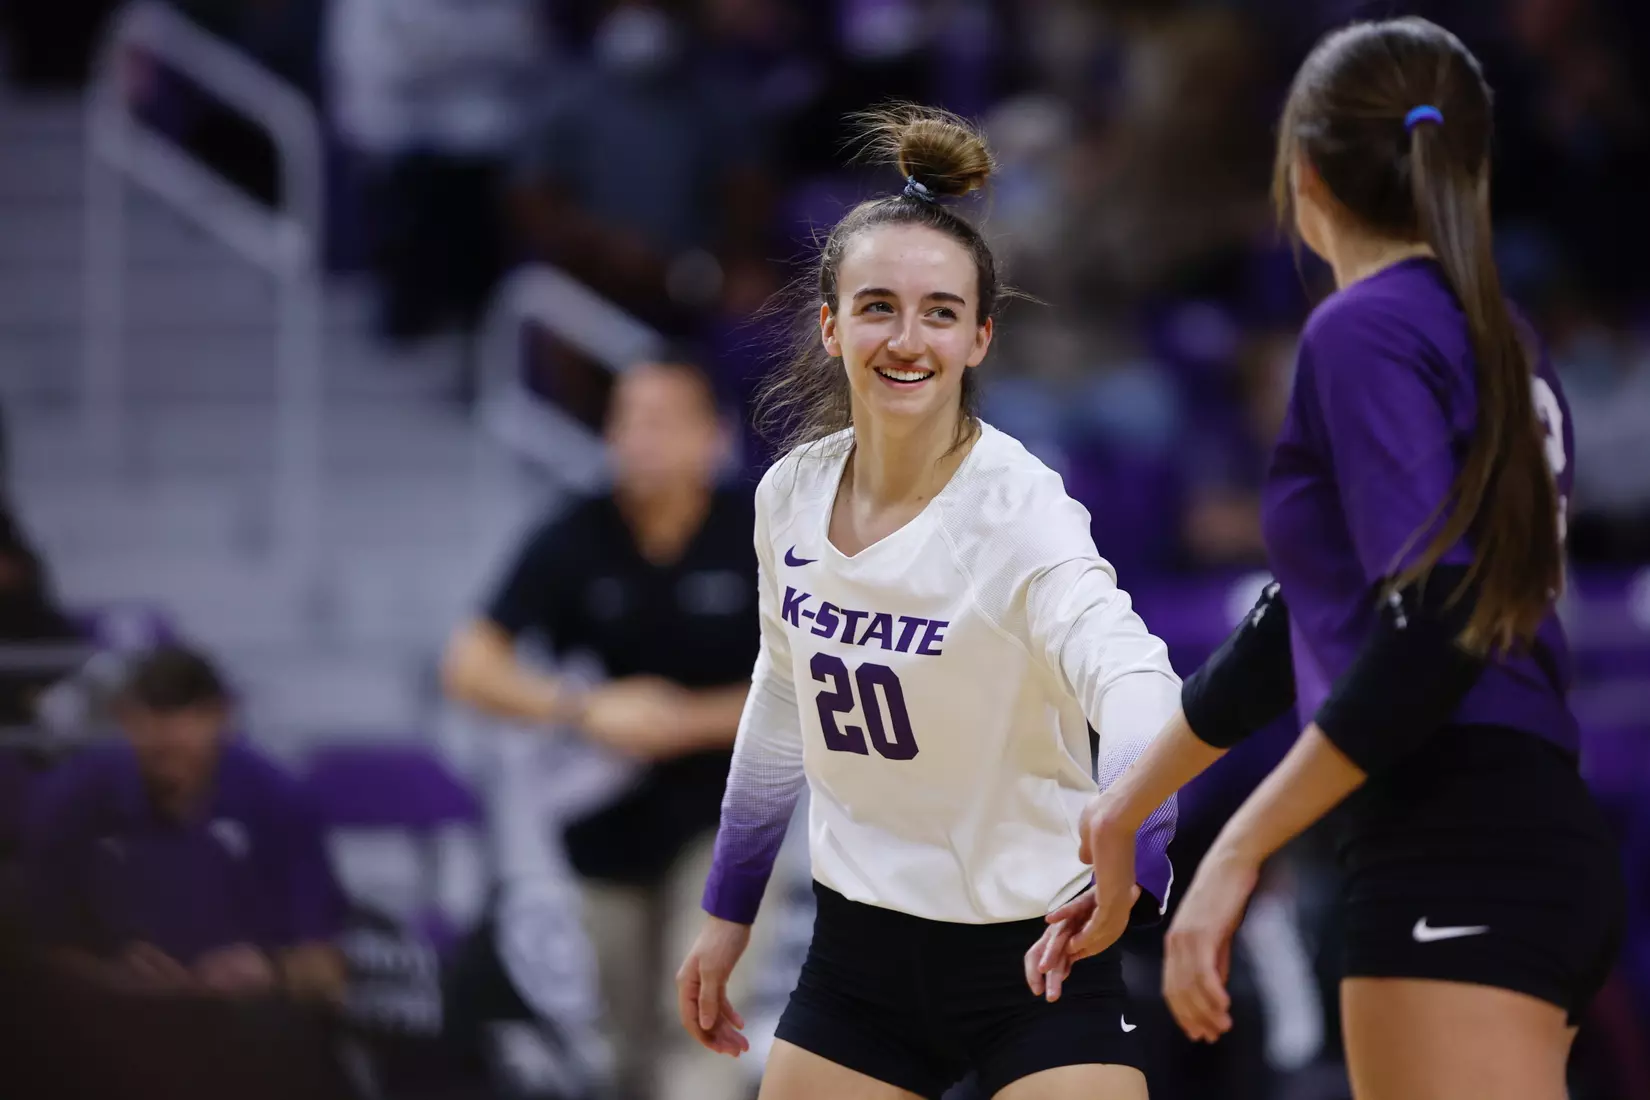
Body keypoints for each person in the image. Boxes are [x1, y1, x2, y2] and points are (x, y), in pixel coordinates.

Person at [1032, 18, 1625, 1100]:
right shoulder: (1495, 332)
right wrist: (1129, 805)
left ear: (1302, 170)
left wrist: (1238, 849)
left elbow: (1435, 623)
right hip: (1518, 832)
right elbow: (1297, 620)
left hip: (1451, 837)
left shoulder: (1364, 330)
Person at [675, 106, 1181, 1100]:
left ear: (980, 337)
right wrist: (729, 911)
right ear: (831, 326)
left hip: (1036, 953)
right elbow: (782, 699)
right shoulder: (789, 494)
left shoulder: (1018, 510)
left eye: (941, 313)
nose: (907, 340)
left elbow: (1137, 681)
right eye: (878, 307)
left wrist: (1135, 838)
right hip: (859, 957)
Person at [441, 354, 764, 1100]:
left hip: (736, 813)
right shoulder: (575, 534)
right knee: (622, 1049)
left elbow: (820, 680)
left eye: (661, 421)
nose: (639, 438)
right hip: (601, 820)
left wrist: (685, 720)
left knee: (703, 1024)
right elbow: (469, 665)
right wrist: (584, 707)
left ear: (712, 437)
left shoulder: (759, 532)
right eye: (625, 420)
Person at [20, 643, 348, 1004]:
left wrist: (272, 969)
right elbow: (32, 953)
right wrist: (108, 976)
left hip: (248, 1023)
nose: (169, 741)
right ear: (125, 718)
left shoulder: (280, 802)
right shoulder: (72, 799)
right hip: (109, 1021)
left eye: (187, 727)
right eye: (153, 730)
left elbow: (327, 970)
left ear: (222, 717)